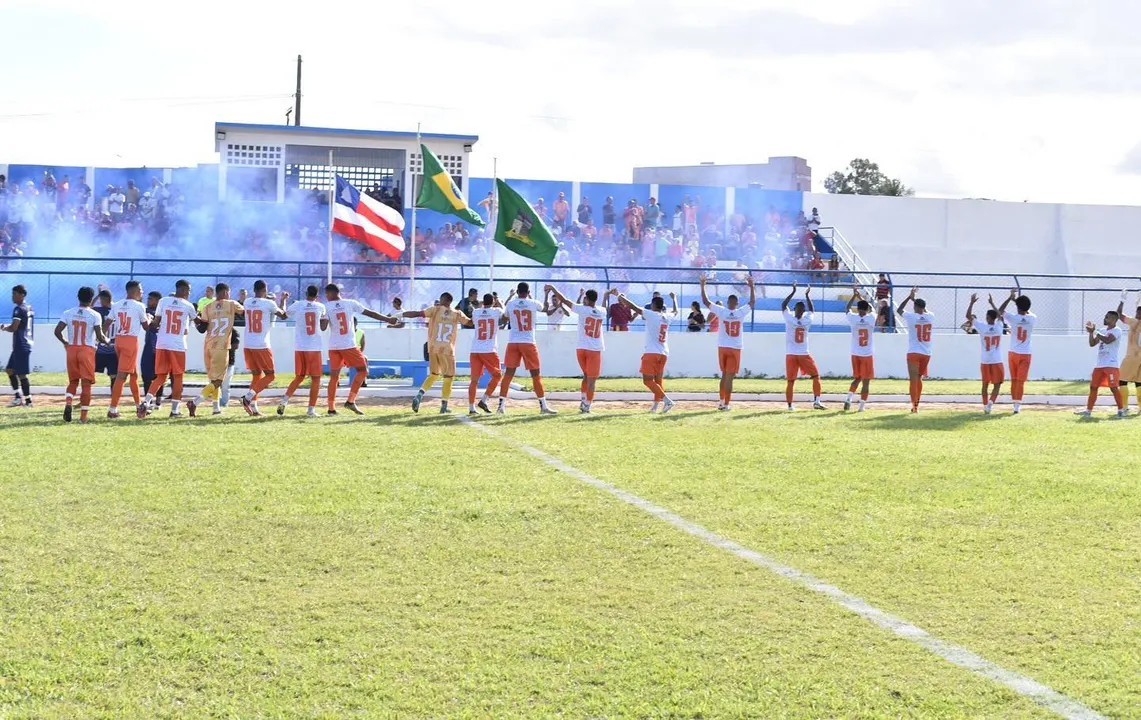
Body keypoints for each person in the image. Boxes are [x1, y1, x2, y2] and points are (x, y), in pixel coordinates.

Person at [324, 283, 398, 415]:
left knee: (334, 377)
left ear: (332, 293)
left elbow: (323, 327)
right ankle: (350, 401)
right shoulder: (350, 303)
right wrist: (387, 319)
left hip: (334, 346)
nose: (326, 297)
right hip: (348, 345)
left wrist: (322, 316)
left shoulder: (326, 307)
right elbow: (371, 313)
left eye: (327, 294)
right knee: (363, 370)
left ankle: (331, 409)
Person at [548, 285, 616, 413]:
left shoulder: (582, 309)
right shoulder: (602, 311)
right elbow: (604, 307)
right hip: (594, 349)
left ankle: (583, 400)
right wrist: (606, 295)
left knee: (585, 376)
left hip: (581, 348)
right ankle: (587, 405)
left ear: (586, 299)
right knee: (592, 379)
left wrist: (553, 288)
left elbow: (564, 299)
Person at [402, 291, 469, 414]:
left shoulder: (435, 310)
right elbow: (469, 322)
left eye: (441, 299)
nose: (440, 301)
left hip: (432, 348)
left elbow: (417, 313)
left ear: (445, 300)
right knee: (448, 377)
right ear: (451, 301)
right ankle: (444, 405)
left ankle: (419, 395)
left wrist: (402, 314)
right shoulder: (457, 313)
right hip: (447, 349)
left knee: (434, 374)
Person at [498, 282, 557, 415]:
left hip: (513, 342)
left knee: (508, 374)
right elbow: (546, 309)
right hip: (528, 342)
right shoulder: (533, 302)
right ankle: (543, 406)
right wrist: (546, 294)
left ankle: (500, 406)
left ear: (518, 292)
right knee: (535, 375)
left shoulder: (511, 304)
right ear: (528, 291)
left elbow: (504, 318)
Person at [700, 273, 756, 411]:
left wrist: (702, 284)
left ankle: (721, 401)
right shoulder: (741, 312)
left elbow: (706, 302)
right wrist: (751, 287)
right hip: (735, 347)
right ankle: (726, 404)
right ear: (736, 304)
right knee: (730, 377)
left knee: (724, 375)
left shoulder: (722, 311)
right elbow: (752, 302)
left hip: (722, 347)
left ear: (727, 302)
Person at [189, 283, 244, 417]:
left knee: (213, 380)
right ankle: (195, 402)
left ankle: (216, 407)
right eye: (229, 292)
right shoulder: (232, 304)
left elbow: (202, 328)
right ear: (225, 292)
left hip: (208, 345)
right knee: (218, 380)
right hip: (221, 346)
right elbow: (243, 313)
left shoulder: (208, 307)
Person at [53, 286, 107, 423]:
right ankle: (83, 418)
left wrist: (65, 342)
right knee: (86, 384)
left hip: (72, 349)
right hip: (86, 350)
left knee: (73, 381)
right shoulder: (95, 315)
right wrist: (107, 341)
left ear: (78, 297)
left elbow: (57, 331)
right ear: (91, 298)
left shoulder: (68, 312)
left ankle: (69, 402)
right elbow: (100, 337)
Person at [618, 291, 677, 413]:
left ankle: (667, 401)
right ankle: (655, 407)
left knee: (647, 380)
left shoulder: (651, 314)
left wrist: (620, 296)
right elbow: (675, 311)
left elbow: (633, 307)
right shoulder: (667, 317)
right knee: (658, 382)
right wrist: (674, 299)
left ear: (654, 305)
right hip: (664, 352)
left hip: (651, 352)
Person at [146, 279, 197, 417]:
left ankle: (145, 403)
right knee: (178, 376)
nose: (189, 293)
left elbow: (155, 323)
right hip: (177, 345)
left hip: (162, 343)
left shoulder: (163, 301)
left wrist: (149, 322)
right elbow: (198, 323)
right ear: (185, 290)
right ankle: (174, 410)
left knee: (160, 376)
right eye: (189, 290)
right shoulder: (188, 305)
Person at [278, 286, 329, 417]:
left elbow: (283, 315)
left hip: (300, 346)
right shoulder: (321, 307)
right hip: (314, 347)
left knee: (299, 377)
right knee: (316, 379)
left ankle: (284, 400)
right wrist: (327, 317)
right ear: (317, 296)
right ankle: (311, 410)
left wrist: (283, 300)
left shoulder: (297, 305)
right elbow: (323, 327)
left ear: (306, 293)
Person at [238, 280, 283, 416]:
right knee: (270, 376)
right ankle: (247, 397)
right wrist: (284, 301)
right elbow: (283, 315)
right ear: (265, 289)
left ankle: (255, 408)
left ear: (254, 289)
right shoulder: (269, 303)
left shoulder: (247, 302)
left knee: (257, 375)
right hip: (261, 344)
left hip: (248, 344)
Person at [108, 280, 151, 419]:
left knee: (133, 375)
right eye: (141, 290)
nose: (142, 292)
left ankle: (139, 406)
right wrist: (149, 318)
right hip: (130, 341)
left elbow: (107, 322)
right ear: (135, 291)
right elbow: (146, 326)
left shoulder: (117, 304)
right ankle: (112, 409)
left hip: (119, 340)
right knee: (122, 376)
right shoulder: (139, 306)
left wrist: (101, 337)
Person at [781, 282, 825, 411]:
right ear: (803, 311)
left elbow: (783, 305)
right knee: (816, 376)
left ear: (794, 310)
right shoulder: (807, 320)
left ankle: (789, 405)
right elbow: (812, 310)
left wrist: (793, 292)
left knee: (790, 381)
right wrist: (807, 295)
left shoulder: (789, 318)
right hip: (803, 353)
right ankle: (817, 401)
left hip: (790, 353)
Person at [1075, 311, 1127, 418]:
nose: (1104, 319)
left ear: (1113, 319)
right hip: (1099, 364)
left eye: (1107, 317)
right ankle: (1088, 411)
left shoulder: (1117, 330)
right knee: (1093, 387)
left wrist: (1095, 332)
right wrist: (1090, 333)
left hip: (1111, 364)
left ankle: (1121, 410)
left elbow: (1108, 340)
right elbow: (1092, 344)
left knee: (1113, 388)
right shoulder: (1103, 330)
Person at [997, 288, 1036, 414]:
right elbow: (1027, 312)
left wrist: (1011, 299)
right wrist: (1019, 303)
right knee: (1020, 381)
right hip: (1026, 354)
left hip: (1013, 353)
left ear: (1018, 307)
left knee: (1014, 379)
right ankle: (1017, 404)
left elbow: (1000, 311)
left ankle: (1015, 402)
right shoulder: (1032, 318)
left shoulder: (1013, 318)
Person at [896, 286, 934, 414]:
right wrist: (915, 300)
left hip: (914, 352)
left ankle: (915, 407)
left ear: (916, 307)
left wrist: (909, 297)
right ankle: (917, 404)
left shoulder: (911, 316)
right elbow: (924, 310)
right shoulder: (931, 316)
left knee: (913, 380)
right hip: (926, 353)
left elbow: (899, 310)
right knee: (919, 378)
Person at [966, 293, 1005, 414]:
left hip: (985, 360)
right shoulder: (999, 326)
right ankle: (990, 404)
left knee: (984, 385)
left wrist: (972, 302)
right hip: (997, 360)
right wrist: (992, 303)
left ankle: (985, 405)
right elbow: (1000, 315)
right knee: (997, 385)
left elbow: (968, 316)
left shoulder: (982, 327)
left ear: (988, 318)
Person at [468, 293, 505, 415]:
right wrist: (499, 301)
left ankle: (471, 408)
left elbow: (474, 320)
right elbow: (505, 312)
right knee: (498, 375)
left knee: (474, 380)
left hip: (475, 349)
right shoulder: (496, 311)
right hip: (489, 349)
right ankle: (484, 399)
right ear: (493, 301)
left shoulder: (476, 312)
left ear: (483, 302)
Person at [843, 287, 876, 412]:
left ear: (858, 309)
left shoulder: (854, 319)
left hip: (855, 353)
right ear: (867, 309)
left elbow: (847, 309)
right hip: (867, 354)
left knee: (857, 378)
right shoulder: (871, 318)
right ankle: (861, 407)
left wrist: (854, 296)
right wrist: (861, 298)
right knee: (866, 382)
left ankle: (849, 398)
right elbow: (873, 309)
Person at [1, 284, 34, 407]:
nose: (13, 297)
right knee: (10, 370)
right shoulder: (29, 307)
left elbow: (14, 327)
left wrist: (4, 328)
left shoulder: (18, 309)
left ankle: (28, 401)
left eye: (15, 294)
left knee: (21, 374)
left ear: (22, 295)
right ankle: (17, 398)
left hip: (21, 344)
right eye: (12, 294)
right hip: (23, 344)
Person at [1114, 291, 1141, 413]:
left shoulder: (1134, 322)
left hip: (1132, 356)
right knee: (1139, 382)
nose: (1136, 313)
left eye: (1138, 312)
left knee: (1122, 380)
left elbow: (1118, 314)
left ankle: (1124, 407)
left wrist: (1122, 300)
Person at [140, 290, 164, 411]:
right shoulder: (145, 311)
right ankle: (147, 401)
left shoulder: (163, 312)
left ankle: (158, 400)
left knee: (159, 375)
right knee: (146, 375)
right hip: (149, 347)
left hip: (160, 347)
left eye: (150, 299)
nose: (148, 301)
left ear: (157, 301)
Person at [93, 288, 118, 387]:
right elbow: (89, 306)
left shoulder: (102, 311)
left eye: (101, 300)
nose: (100, 302)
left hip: (108, 348)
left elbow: (89, 305)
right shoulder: (102, 310)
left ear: (105, 299)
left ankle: (113, 398)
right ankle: (86, 396)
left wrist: (98, 295)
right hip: (106, 348)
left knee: (113, 375)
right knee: (91, 371)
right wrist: (99, 295)